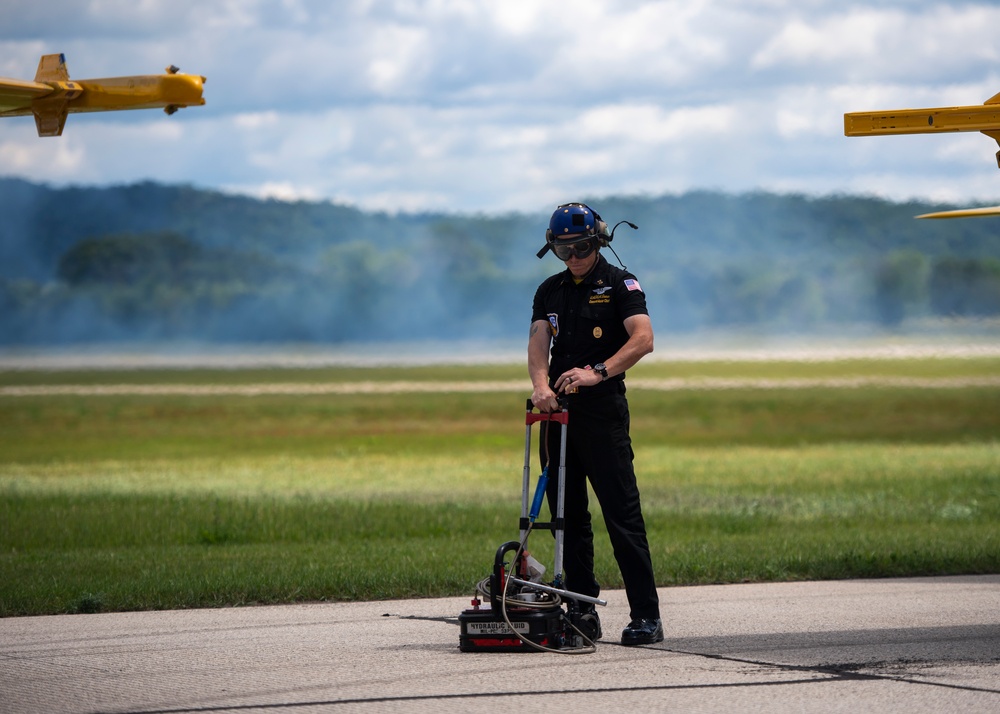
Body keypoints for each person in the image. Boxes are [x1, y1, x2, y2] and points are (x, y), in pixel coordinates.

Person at [528, 202, 663, 646]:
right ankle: (581, 609)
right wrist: (540, 386)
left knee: (622, 516)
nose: (574, 257)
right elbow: (537, 343)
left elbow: (643, 339)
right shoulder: (548, 290)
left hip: (602, 412)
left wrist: (598, 372)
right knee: (567, 517)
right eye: (564, 250)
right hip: (558, 417)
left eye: (582, 247)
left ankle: (646, 616)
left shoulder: (620, 283)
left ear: (599, 240)